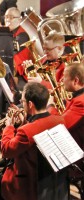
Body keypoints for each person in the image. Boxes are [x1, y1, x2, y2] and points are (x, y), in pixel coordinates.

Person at [0, 82, 67, 200]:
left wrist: (9, 127)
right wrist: (23, 124)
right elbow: (33, 136)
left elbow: (6, 151)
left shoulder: (26, 131)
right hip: (47, 180)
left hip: (23, 184)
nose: (21, 105)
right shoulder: (58, 120)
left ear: (30, 104)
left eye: (22, 102)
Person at [48, 62, 84, 198]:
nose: (61, 80)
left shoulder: (81, 101)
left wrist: (50, 105)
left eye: (64, 76)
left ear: (75, 81)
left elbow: (61, 126)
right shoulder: (77, 97)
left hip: (76, 157)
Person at [4, 7, 31, 90]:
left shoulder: (23, 36)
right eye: (6, 17)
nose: (8, 20)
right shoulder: (6, 33)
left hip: (21, 77)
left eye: (11, 17)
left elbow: (11, 50)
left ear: (19, 20)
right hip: (9, 72)